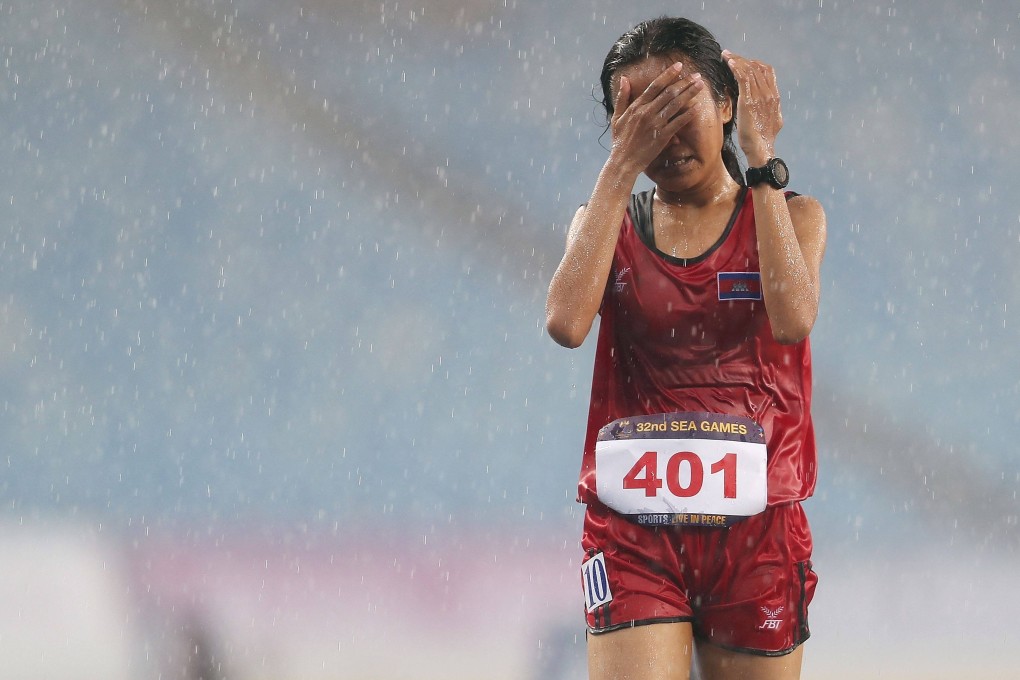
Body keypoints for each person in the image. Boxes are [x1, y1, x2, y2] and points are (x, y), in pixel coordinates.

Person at [545, 16, 827, 680]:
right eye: (643, 114)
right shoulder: (603, 223)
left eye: (681, 106)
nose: (665, 136)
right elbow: (564, 322)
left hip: (757, 532)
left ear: (727, 104)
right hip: (634, 529)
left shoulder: (794, 216)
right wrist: (618, 168)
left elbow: (792, 318)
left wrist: (761, 162)